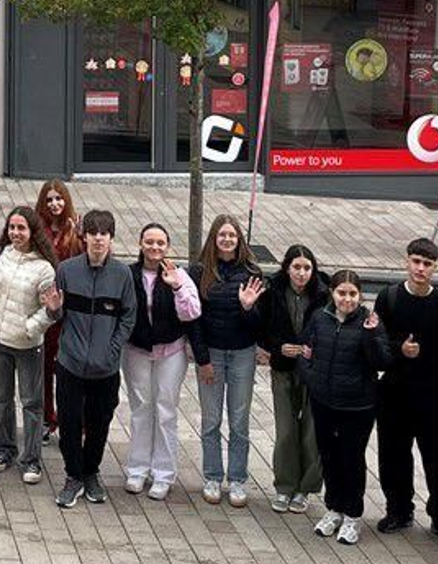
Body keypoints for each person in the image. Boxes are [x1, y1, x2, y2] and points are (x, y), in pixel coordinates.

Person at [374, 237, 438, 546]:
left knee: (437, 460)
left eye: (427, 264)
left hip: (434, 396)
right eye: (416, 261)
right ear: (406, 262)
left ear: (435, 268)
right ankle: (398, 510)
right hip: (395, 393)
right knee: (393, 455)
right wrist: (401, 349)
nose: (420, 269)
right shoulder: (389, 298)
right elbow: (379, 344)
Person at [44, 209, 134, 508]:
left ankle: (91, 472)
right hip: (70, 364)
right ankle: (73, 476)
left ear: (111, 238)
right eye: (93, 234)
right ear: (84, 238)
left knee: (100, 423)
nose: (98, 239)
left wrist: (112, 351)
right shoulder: (67, 271)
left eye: (104, 234)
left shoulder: (122, 275)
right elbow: (56, 316)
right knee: (69, 422)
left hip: (105, 369)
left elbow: (127, 318)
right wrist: (54, 309)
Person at [298, 269, 390, 545]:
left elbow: (382, 362)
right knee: (328, 456)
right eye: (341, 293)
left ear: (360, 296)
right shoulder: (320, 317)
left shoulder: (370, 322)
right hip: (324, 401)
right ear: (332, 293)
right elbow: (305, 350)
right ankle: (333, 508)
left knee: (351, 459)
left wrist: (372, 336)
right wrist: (311, 377)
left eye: (352, 294)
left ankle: (353, 514)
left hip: (357, 406)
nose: (347, 299)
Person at [0, 206, 58, 485]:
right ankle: (4, 449)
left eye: (21, 228)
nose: (15, 233)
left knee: (32, 403)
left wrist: (29, 329)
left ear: (33, 232)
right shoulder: (1, 256)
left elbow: (49, 310)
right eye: (12, 228)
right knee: (0, 398)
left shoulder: (44, 268)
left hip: (28, 345)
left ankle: (32, 460)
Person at [187, 214, 265, 508]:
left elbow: (260, 325)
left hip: (243, 353)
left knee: (239, 421)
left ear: (239, 239)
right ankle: (211, 476)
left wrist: (247, 308)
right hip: (212, 354)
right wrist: (202, 359)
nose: (227, 240)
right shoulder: (199, 271)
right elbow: (193, 319)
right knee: (210, 419)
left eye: (232, 235)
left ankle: (237, 480)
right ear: (214, 239)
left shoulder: (252, 272)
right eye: (222, 235)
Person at [122, 223, 200, 502]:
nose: (155, 248)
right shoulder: (128, 274)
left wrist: (177, 287)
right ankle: (138, 469)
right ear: (140, 244)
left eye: (160, 243)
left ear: (167, 246)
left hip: (171, 352)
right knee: (141, 408)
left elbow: (192, 312)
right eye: (149, 242)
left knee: (165, 410)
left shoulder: (179, 274)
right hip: (137, 351)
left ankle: (164, 473)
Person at [258, 244, 329, 515]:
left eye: (307, 268)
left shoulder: (323, 295)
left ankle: (306, 488)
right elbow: (262, 328)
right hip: (283, 368)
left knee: (312, 431)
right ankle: (285, 486)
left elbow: (331, 331)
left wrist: (313, 349)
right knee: (286, 430)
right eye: (296, 267)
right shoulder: (273, 292)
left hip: (314, 372)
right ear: (287, 268)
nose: (301, 273)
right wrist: (278, 347)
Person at [35, 180, 84, 444]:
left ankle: (73, 420)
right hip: (44, 305)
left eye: (59, 199)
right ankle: (46, 417)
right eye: (50, 199)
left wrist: (80, 237)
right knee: (44, 365)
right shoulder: (37, 230)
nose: (55, 204)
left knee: (69, 365)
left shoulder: (74, 229)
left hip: (70, 307)